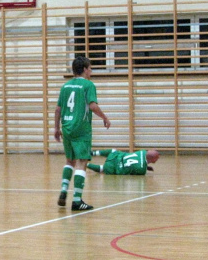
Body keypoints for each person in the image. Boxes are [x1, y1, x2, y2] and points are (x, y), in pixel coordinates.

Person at [54, 56, 110, 211]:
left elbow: (58, 109)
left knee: (69, 161)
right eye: (90, 68)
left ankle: (64, 190)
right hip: (81, 128)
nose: (91, 71)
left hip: (66, 127)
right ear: (85, 69)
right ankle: (77, 200)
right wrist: (104, 117)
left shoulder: (65, 86)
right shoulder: (88, 85)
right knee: (82, 162)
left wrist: (56, 128)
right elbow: (92, 105)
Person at [87, 149, 160, 175]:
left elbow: (139, 159)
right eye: (157, 158)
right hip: (115, 167)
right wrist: (145, 167)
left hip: (115, 156)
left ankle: (93, 153)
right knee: (103, 168)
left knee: (113, 151)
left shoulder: (142, 152)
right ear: (153, 160)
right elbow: (135, 169)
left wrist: (146, 166)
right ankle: (85, 164)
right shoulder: (142, 170)